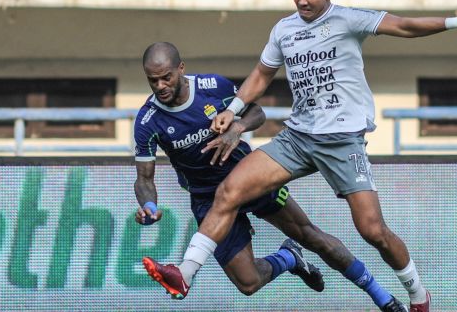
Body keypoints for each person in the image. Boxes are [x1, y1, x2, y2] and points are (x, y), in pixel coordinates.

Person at [142, 0, 457, 312]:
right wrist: (232, 111)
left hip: (342, 141)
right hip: (297, 139)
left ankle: (416, 293)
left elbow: (406, 25)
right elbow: (261, 76)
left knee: (373, 230)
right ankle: (184, 272)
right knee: (229, 191)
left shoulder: (348, 19)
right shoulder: (284, 30)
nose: (302, 1)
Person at [136, 42, 410, 312]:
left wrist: (238, 126)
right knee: (248, 283)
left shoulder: (212, 86)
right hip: (208, 199)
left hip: (250, 179)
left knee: (312, 237)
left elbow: (257, 112)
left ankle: (382, 296)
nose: (160, 86)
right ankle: (289, 257)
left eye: (166, 77)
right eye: (153, 80)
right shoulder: (148, 121)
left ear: (181, 68)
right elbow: (145, 179)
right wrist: (149, 206)